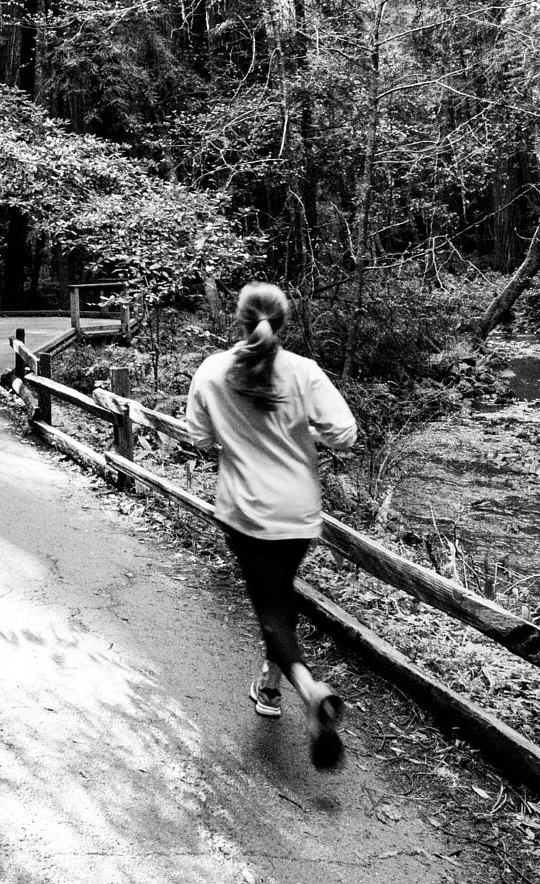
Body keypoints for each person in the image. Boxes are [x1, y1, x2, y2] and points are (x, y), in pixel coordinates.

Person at [170, 281, 357, 769]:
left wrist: (238, 438)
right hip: (298, 512)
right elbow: (346, 434)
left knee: (272, 612)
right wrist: (301, 430)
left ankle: (310, 691)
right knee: (278, 598)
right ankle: (270, 687)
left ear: (237, 319)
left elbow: (199, 438)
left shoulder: (212, 371)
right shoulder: (304, 372)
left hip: (246, 511)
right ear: (284, 321)